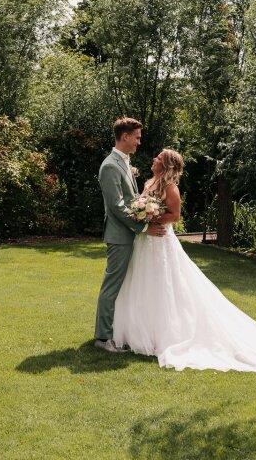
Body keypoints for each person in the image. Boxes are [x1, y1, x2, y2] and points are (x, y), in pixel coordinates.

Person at [112, 148, 256, 373]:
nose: (154, 159)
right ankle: (141, 331)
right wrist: (143, 215)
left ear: (166, 165)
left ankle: (165, 333)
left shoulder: (171, 187)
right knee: (144, 283)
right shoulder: (148, 183)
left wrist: (153, 215)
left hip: (161, 242)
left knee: (165, 285)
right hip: (145, 242)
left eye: (159, 157)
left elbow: (175, 216)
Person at [94, 117, 165, 353]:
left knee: (126, 286)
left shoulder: (124, 162)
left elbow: (131, 200)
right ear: (125, 136)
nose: (139, 142)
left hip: (128, 234)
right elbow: (116, 206)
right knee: (112, 286)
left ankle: (119, 331)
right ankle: (103, 338)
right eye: (137, 137)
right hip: (119, 236)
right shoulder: (110, 166)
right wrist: (143, 227)